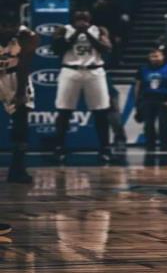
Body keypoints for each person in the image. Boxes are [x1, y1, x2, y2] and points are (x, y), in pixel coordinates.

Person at [52, 10, 113, 163]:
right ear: (73, 19)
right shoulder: (63, 29)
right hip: (70, 70)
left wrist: (88, 34)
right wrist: (76, 34)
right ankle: (59, 148)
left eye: (84, 18)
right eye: (79, 18)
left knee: (101, 112)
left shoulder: (99, 30)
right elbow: (57, 49)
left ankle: (105, 148)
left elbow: (106, 48)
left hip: (94, 71)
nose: (82, 20)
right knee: (64, 111)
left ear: (90, 19)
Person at [0, 12, 38, 183]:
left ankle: (17, 170)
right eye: (4, 25)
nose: (8, 29)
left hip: (15, 77)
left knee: (21, 123)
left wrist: (21, 93)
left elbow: (24, 66)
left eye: (12, 26)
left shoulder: (27, 36)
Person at [135, 48, 167, 151]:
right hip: (147, 99)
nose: (154, 58)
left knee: (163, 124)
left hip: (164, 99)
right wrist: (137, 101)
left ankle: (166, 145)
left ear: (163, 57)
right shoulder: (142, 69)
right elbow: (137, 86)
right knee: (148, 124)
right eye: (152, 56)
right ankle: (149, 145)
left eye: (157, 56)